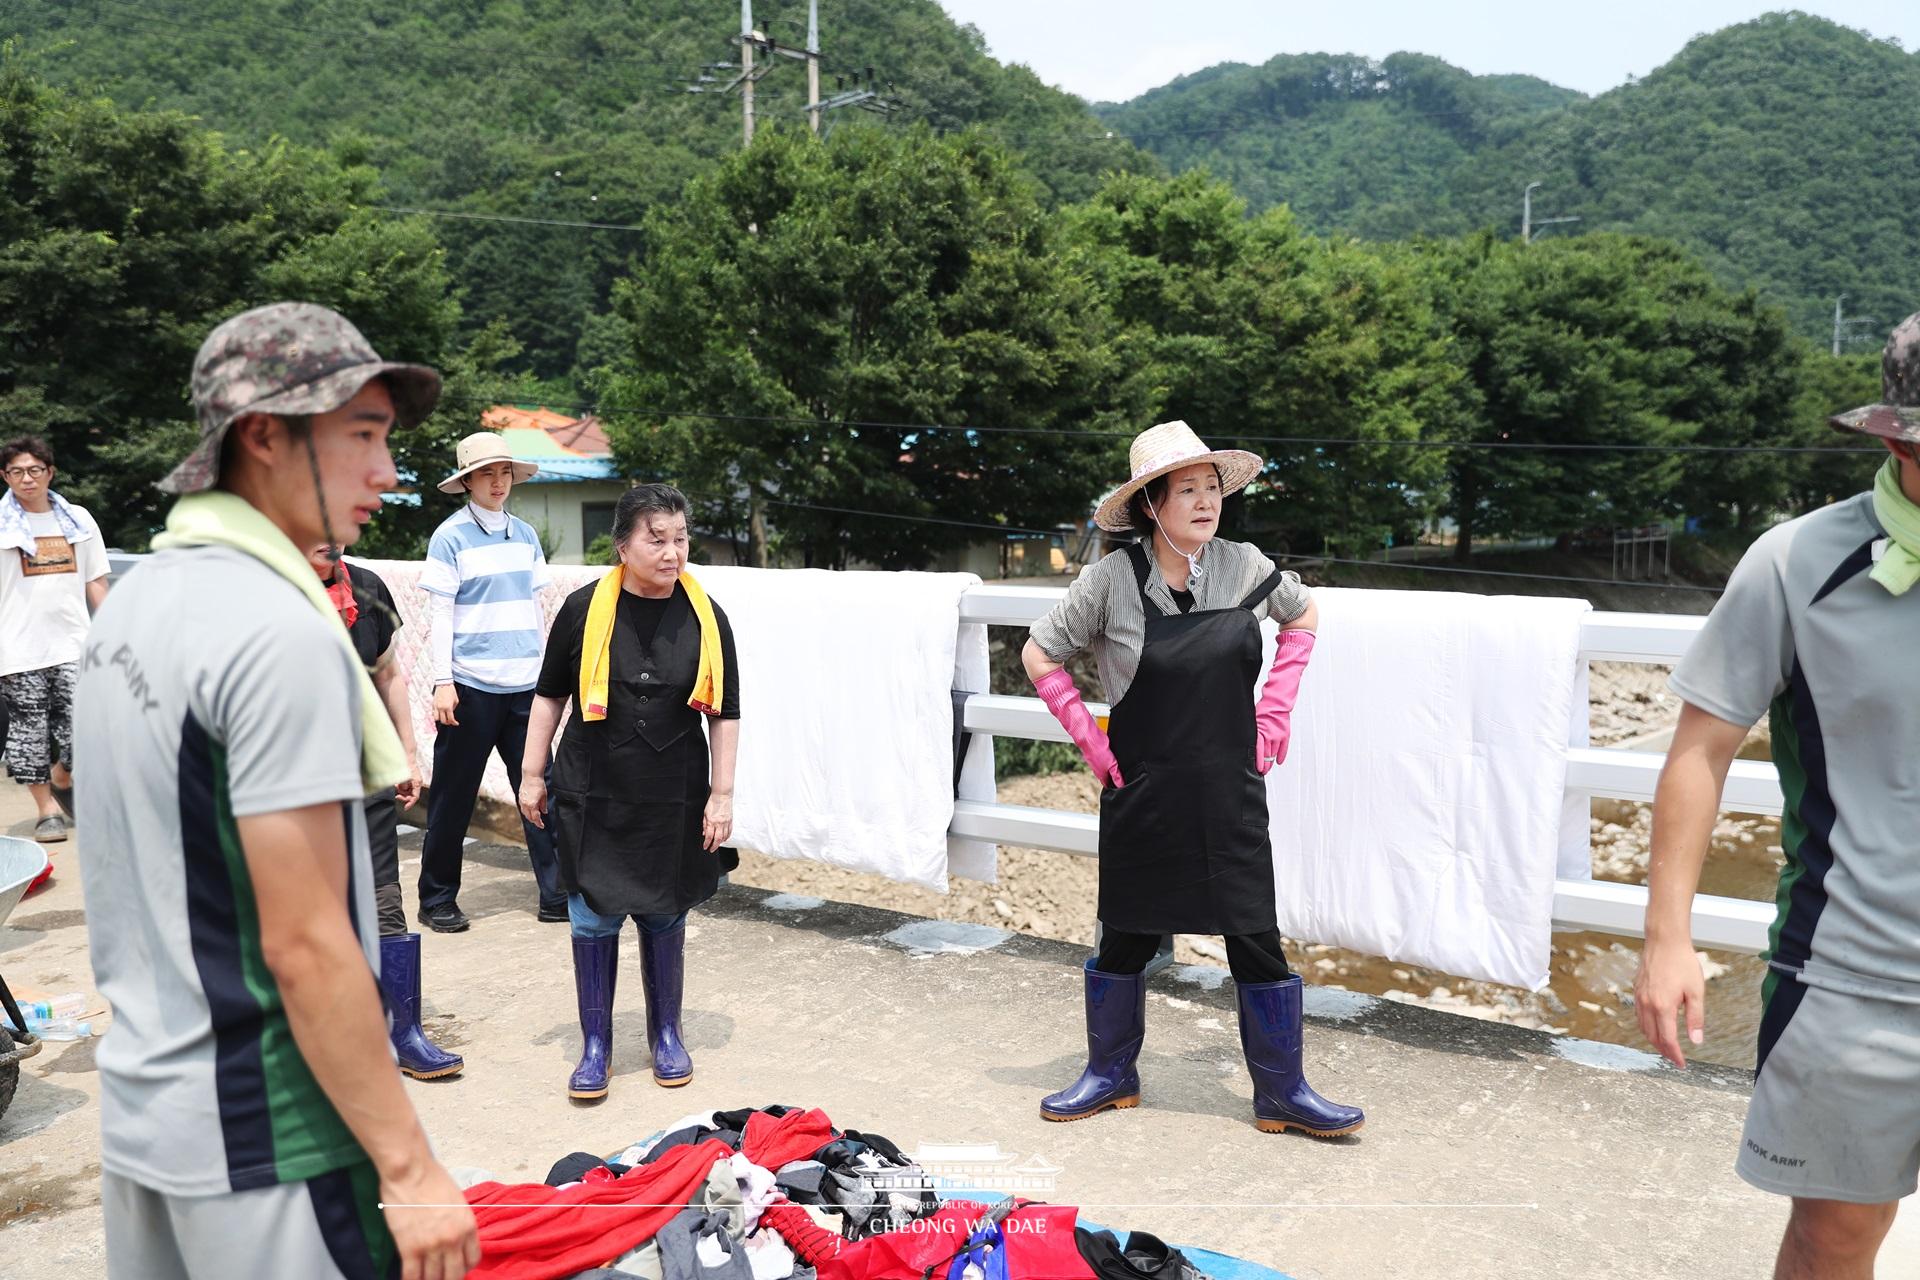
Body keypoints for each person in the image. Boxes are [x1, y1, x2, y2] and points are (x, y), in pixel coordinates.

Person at [72, 302, 478, 1279]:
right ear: (263, 435)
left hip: (144, 1116)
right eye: (363, 435)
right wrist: (410, 1160)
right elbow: (303, 941)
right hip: (269, 1135)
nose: (387, 470)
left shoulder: (133, 606)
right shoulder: (275, 631)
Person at [1634, 313, 1920, 1280]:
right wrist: (1668, 937)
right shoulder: (1798, 561)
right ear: (1894, 436)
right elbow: (1700, 751)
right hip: (1850, 979)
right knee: (1835, 1236)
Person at [1022, 419, 1362, 1137]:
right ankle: (1110, 1074)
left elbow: (1303, 616)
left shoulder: (1244, 564)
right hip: (1143, 788)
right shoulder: (1110, 580)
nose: (1207, 502)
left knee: (1255, 935)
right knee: (1125, 935)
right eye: (1189, 490)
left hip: (1228, 790)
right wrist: (1088, 736)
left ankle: (1282, 1093)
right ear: (1152, 504)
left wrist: (1277, 709)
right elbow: (1038, 653)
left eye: (1213, 488)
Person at [517, 483, 740, 1100]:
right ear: (623, 546)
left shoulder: (706, 616)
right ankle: (596, 1047)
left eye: (681, 538)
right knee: (591, 914)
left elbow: (725, 713)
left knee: (665, 908)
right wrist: (532, 774)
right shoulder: (583, 610)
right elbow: (549, 695)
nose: (673, 553)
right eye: (657, 539)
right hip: (593, 786)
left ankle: (665, 1034)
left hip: (674, 789)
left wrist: (722, 795)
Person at [308, 543, 463, 1081]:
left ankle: (403, 1032)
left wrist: (408, 754)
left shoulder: (368, 587)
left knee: (382, 902)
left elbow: (389, 674)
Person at [415, 430, 565, 932]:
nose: (498, 482)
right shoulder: (450, 537)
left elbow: (535, 607)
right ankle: (437, 899)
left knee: (541, 789)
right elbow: (440, 612)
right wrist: (443, 681)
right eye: (486, 473)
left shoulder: (524, 535)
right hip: (470, 686)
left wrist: (546, 675)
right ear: (467, 481)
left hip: (526, 686)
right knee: (454, 797)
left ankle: (556, 893)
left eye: (504, 472)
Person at [1, 434, 109, 842]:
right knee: (28, 731)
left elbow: (96, 580)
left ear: (50, 472)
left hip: (73, 642)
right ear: (5, 476)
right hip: (17, 646)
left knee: (85, 724)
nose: (26, 479)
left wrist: (113, 631)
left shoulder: (78, 520)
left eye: (34, 470)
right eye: (16, 472)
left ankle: (62, 775)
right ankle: (46, 808)